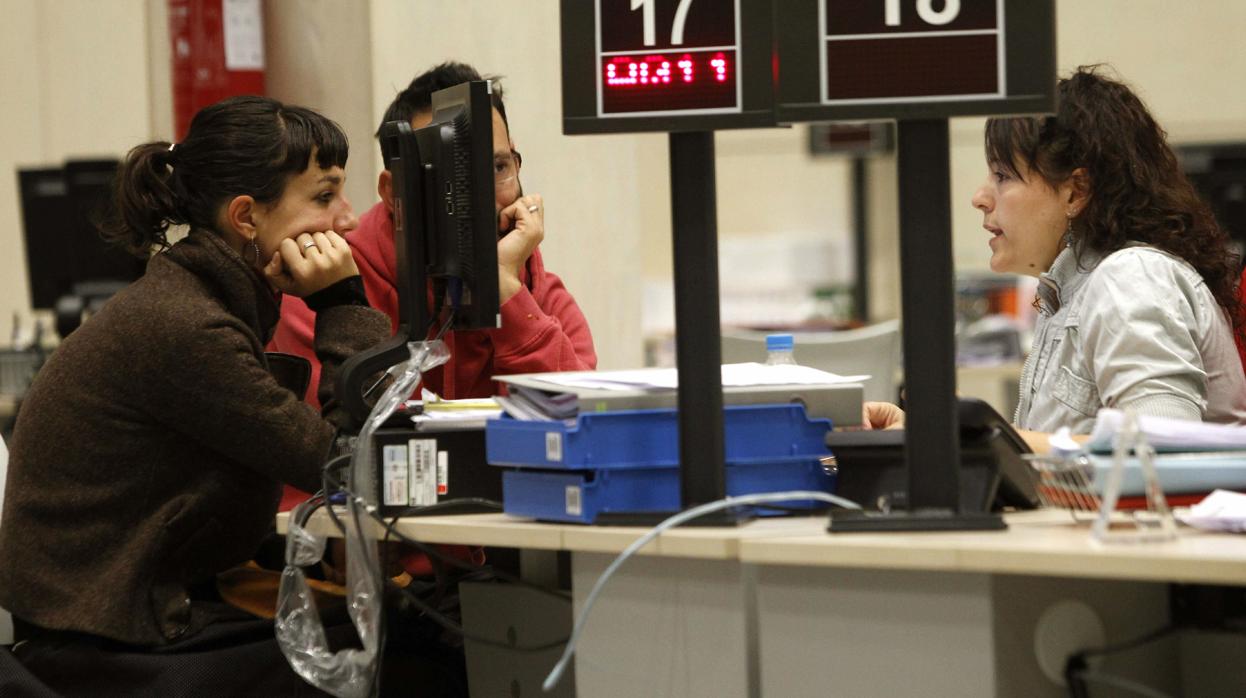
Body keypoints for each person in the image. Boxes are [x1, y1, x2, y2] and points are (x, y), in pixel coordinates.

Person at [0, 96, 461, 695]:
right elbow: (353, 467)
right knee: (420, 655)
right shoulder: (185, 327)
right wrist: (343, 303)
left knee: (422, 628)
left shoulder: (200, 301)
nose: (348, 219)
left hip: (139, 606)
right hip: (115, 637)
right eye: (324, 197)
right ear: (246, 217)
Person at [865, 66, 1246, 452]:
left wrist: (969, 445)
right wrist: (937, 441)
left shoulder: (1132, 276)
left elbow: (1158, 452)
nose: (979, 197)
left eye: (1002, 175)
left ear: (1075, 191)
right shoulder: (1071, 290)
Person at [271, 61, 597, 408]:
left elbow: (572, 421)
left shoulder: (541, 297)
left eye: (499, 167)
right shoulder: (324, 291)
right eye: (450, 175)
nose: (482, 196)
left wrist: (506, 294)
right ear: (393, 192)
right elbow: (342, 442)